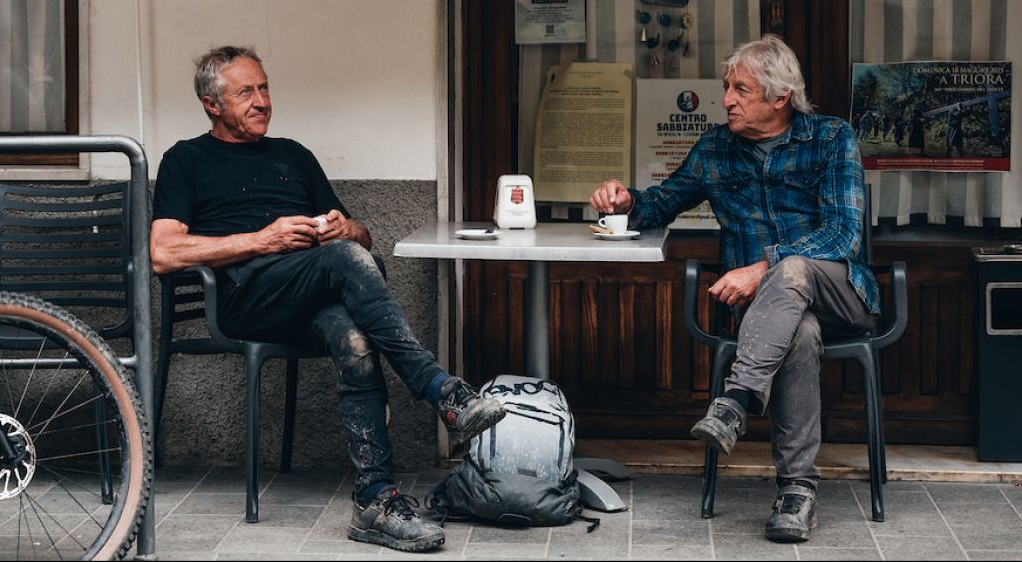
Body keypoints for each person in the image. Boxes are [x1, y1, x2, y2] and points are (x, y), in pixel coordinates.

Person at [151, 46, 506, 553]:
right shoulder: (186, 159)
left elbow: (359, 240)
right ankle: (439, 390)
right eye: (246, 92)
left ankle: (375, 500)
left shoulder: (293, 155)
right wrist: (263, 239)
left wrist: (348, 227)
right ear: (212, 104)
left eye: (265, 88)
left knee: (354, 331)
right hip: (245, 299)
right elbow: (163, 252)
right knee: (344, 263)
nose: (261, 101)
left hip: (311, 292)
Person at [590, 34, 878, 544]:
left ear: (780, 97)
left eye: (740, 89)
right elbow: (660, 203)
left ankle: (736, 400)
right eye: (727, 87)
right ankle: (797, 493)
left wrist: (761, 267)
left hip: (841, 293)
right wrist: (621, 199)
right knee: (800, 333)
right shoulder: (716, 147)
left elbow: (841, 235)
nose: (726, 100)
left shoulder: (831, 138)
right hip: (774, 317)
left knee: (792, 271)